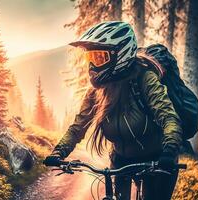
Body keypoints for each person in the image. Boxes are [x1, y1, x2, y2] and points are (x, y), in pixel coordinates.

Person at [43, 21, 183, 200]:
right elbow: (78, 127)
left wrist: (169, 151)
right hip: (121, 159)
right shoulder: (97, 90)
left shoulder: (145, 78)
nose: (92, 66)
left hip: (156, 158)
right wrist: (58, 152)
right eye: (90, 59)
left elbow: (169, 117)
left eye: (100, 58)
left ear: (121, 55)